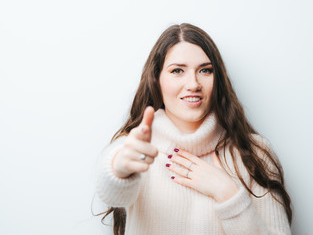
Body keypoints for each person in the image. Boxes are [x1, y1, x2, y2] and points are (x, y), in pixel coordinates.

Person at [96, 23, 292, 235]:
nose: (193, 84)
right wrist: (119, 169)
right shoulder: (137, 150)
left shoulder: (254, 153)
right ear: (156, 79)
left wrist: (228, 194)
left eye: (205, 70)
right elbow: (112, 191)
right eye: (177, 71)